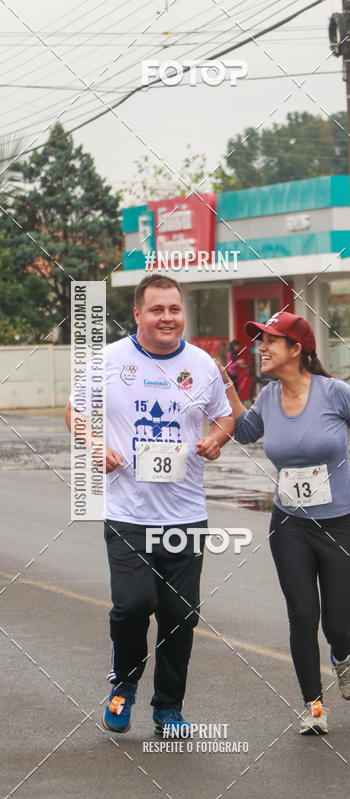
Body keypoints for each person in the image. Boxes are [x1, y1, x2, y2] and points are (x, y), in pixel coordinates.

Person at [210, 311, 350, 735]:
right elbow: (245, 432)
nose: (261, 348)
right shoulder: (267, 397)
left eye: (270, 341)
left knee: (338, 625)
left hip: (342, 524)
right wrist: (226, 387)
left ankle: (341, 658)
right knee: (302, 614)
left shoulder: (334, 393)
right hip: (290, 526)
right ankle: (313, 706)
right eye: (260, 340)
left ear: (297, 349)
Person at [65, 274, 234, 735]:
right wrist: (94, 444)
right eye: (157, 309)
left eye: (174, 309)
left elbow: (225, 415)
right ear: (138, 314)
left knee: (181, 615)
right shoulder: (109, 361)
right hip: (128, 514)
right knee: (133, 606)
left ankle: (168, 708)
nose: (168, 318)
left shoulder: (201, 365)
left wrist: (215, 440)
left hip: (184, 514)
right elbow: (75, 411)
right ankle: (123, 686)